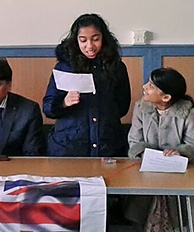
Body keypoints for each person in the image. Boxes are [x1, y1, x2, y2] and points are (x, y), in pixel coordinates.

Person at [42, 13, 131, 157]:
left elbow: (122, 107)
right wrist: (64, 103)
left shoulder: (117, 67)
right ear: (75, 40)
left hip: (107, 144)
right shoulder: (64, 67)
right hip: (69, 146)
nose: (89, 46)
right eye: (83, 40)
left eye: (96, 39)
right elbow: (47, 108)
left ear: (104, 38)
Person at [125, 68, 194, 231]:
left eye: (151, 86)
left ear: (166, 97)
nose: (145, 86)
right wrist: (143, 152)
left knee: (181, 218)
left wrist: (180, 152)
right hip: (146, 172)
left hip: (181, 174)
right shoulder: (141, 108)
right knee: (141, 214)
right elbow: (134, 141)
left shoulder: (188, 112)